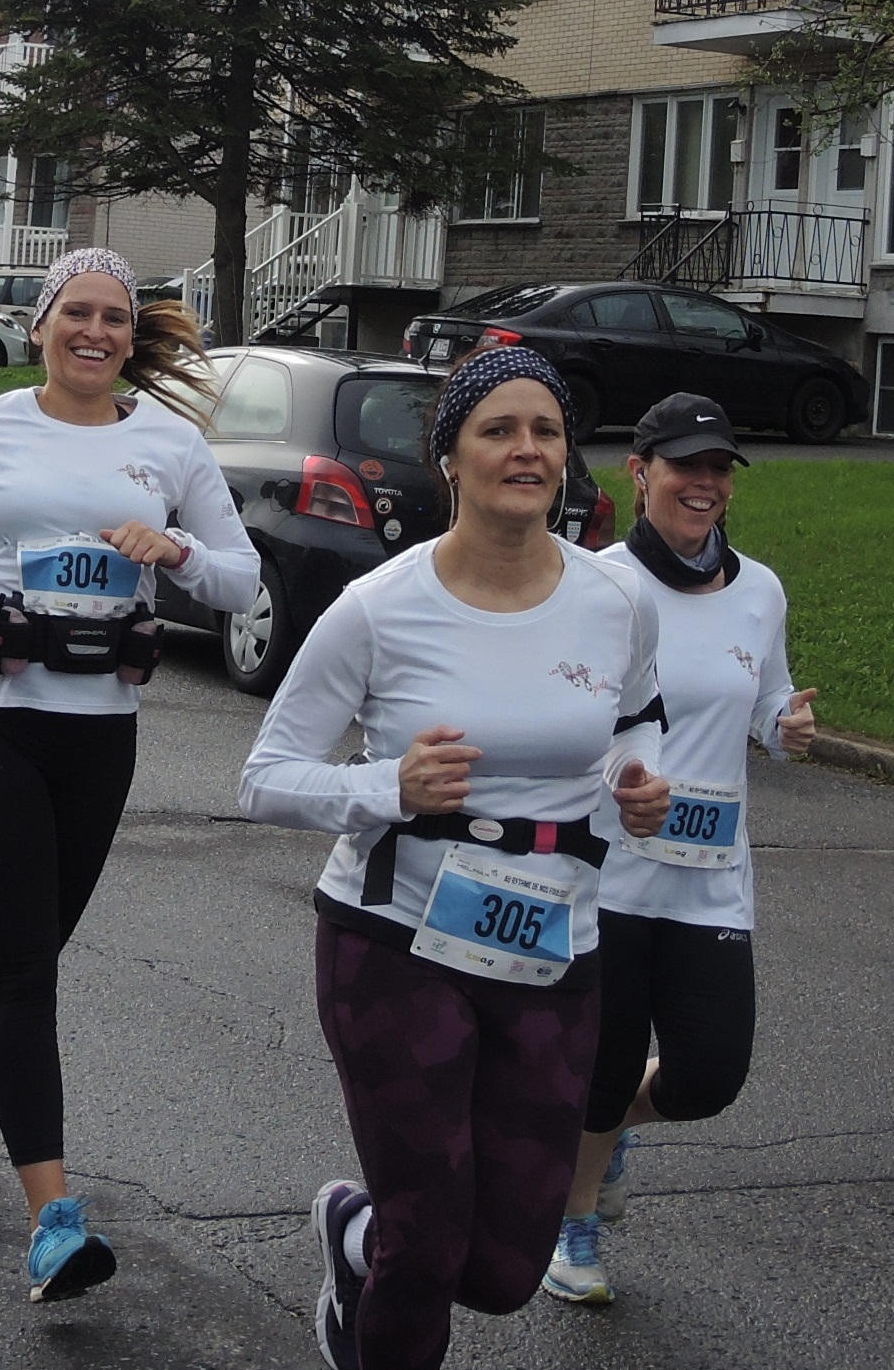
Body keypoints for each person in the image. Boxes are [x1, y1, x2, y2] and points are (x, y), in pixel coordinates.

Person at [238, 345, 673, 1370]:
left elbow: (637, 717)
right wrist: (387, 786)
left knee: (503, 1270)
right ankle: (384, 1282)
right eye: (498, 430)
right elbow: (264, 776)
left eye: (547, 432)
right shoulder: (381, 606)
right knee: (430, 1241)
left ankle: (357, 1238)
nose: (526, 450)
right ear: (452, 457)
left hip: (551, 950)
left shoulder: (617, 602)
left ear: (569, 456)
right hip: (395, 943)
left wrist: (634, 781)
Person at [0, 247, 259, 1302]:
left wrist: (174, 552)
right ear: (40, 324)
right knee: (32, 970)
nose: (96, 332)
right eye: (76, 312)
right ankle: (54, 1220)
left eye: (115, 318)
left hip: (99, 733)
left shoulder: (169, 443)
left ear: (132, 336)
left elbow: (243, 577)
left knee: (27, 946)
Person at [541, 394, 816, 1305]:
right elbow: (565, 719)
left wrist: (788, 725)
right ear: (640, 470)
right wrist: (619, 780)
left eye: (718, 469)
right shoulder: (598, 583)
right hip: (612, 874)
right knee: (604, 1063)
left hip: (709, 882)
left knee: (707, 1075)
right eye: (684, 466)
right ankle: (574, 1223)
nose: (704, 485)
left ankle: (610, 1131)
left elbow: (767, 707)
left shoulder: (760, 589)